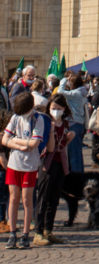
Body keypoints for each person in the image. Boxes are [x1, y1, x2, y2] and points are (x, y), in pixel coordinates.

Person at [2, 90, 45, 250]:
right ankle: (13, 233)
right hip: (14, 164)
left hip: (30, 165)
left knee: (27, 200)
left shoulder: (37, 119)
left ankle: (26, 234)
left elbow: (34, 144)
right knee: (13, 199)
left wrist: (16, 141)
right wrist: (22, 143)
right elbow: (5, 140)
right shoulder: (15, 117)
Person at [33, 92, 74, 246]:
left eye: (59, 108)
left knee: (54, 198)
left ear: (64, 109)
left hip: (60, 163)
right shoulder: (44, 121)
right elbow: (48, 147)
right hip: (46, 163)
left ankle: (48, 230)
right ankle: (38, 231)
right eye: (53, 107)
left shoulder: (64, 123)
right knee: (43, 197)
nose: (56, 110)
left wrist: (69, 137)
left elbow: (63, 144)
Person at [58, 72, 87, 173]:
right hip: (79, 123)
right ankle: (78, 173)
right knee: (76, 152)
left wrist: (64, 80)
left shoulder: (76, 93)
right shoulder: (82, 92)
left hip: (74, 123)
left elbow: (60, 91)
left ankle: (76, 176)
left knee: (73, 153)